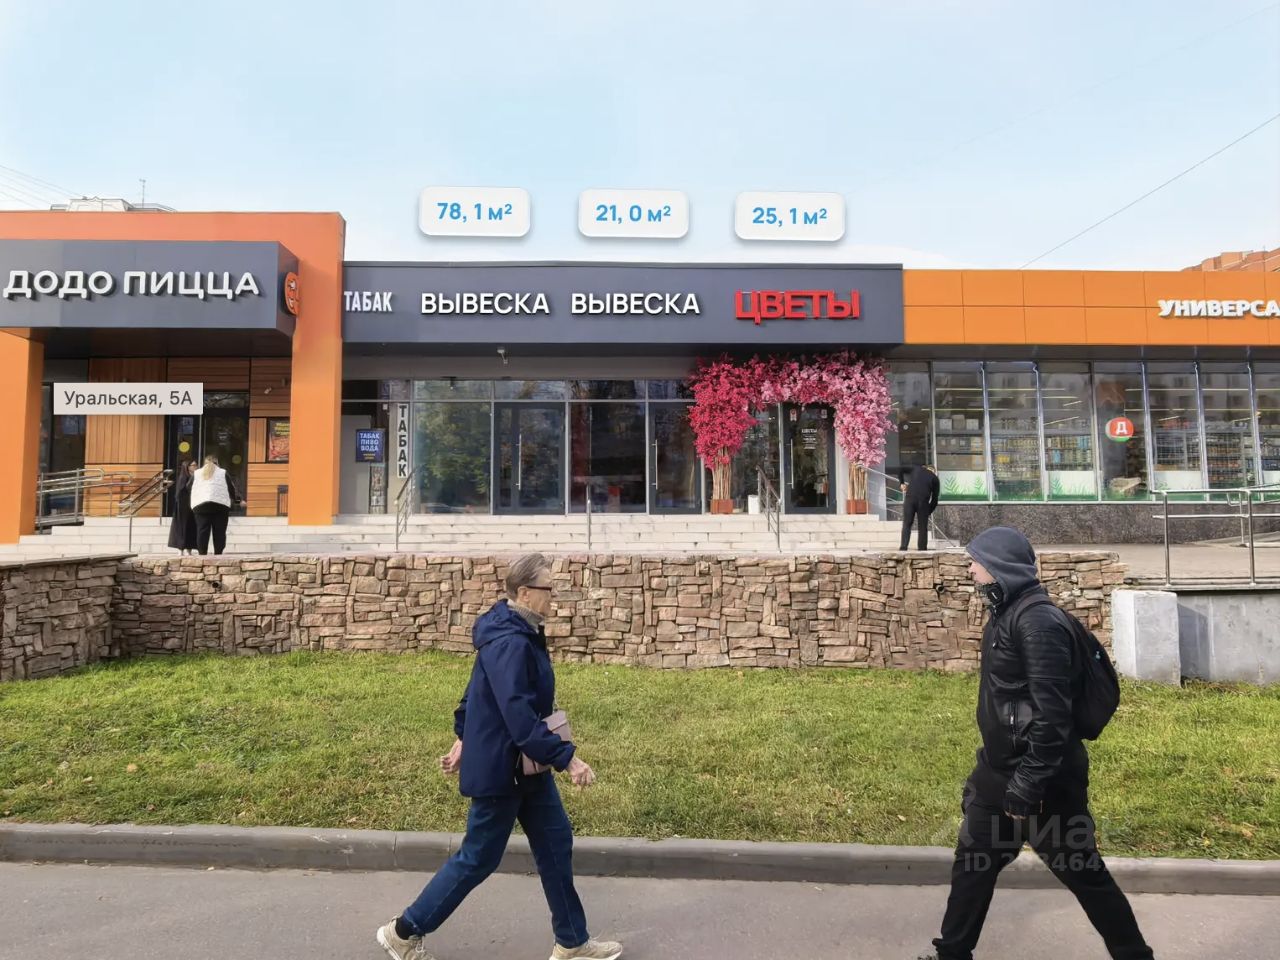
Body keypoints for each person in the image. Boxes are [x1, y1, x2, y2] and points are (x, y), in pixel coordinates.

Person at [917, 526, 1154, 960]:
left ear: (1000, 568)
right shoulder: (1006, 613)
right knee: (973, 864)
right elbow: (1009, 704)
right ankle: (952, 954)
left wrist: (1027, 785)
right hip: (998, 774)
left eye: (976, 563)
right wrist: (988, 771)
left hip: (1044, 781)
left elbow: (1053, 717)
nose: (970, 571)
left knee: (1083, 872)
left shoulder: (1037, 623)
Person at [377, 554, 622, 960]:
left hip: (526, 767)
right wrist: (568, 759)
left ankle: (572, 942)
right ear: (524, 592)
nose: (553, 596)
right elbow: (519, 717)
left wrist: (463, 737)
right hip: (505, 768)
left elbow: (476, 692)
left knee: (555, 842)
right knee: (478, 858)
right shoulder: (511, 640)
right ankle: (404, 932)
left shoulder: (516, 630)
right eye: (547, 588)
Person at [189, 455, 242, 556]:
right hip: (220, 505)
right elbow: (231, 488)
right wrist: (237, 500)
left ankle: (202, 554)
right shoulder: (223, 472)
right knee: (219, 531)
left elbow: (188, 486)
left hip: (201, 505)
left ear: (205, 463)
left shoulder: (197, 473)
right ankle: (218, 553)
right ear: (217, 463)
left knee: (202, 531)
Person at [899, 463, 940, 551]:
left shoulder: (916, 469)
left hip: (910, 499)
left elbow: (901, 469)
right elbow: (935, 499)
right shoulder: (935, 478)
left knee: (907, 524)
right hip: (923, 502)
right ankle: (922, 549)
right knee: (922, 527)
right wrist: (928, 511)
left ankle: (903, 547)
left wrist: (902, 483)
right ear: (934, 471)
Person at [166, 460, 198, 555]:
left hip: (193, 506)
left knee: (191, 527)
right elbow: (181, 493)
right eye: (193, 465)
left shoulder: (196, 476)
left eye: (196, 465)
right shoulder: (183, 478)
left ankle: (189, 548)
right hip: (183, 507)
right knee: (182, 527)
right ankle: (181, 548)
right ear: (188, 467)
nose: (196, 467)